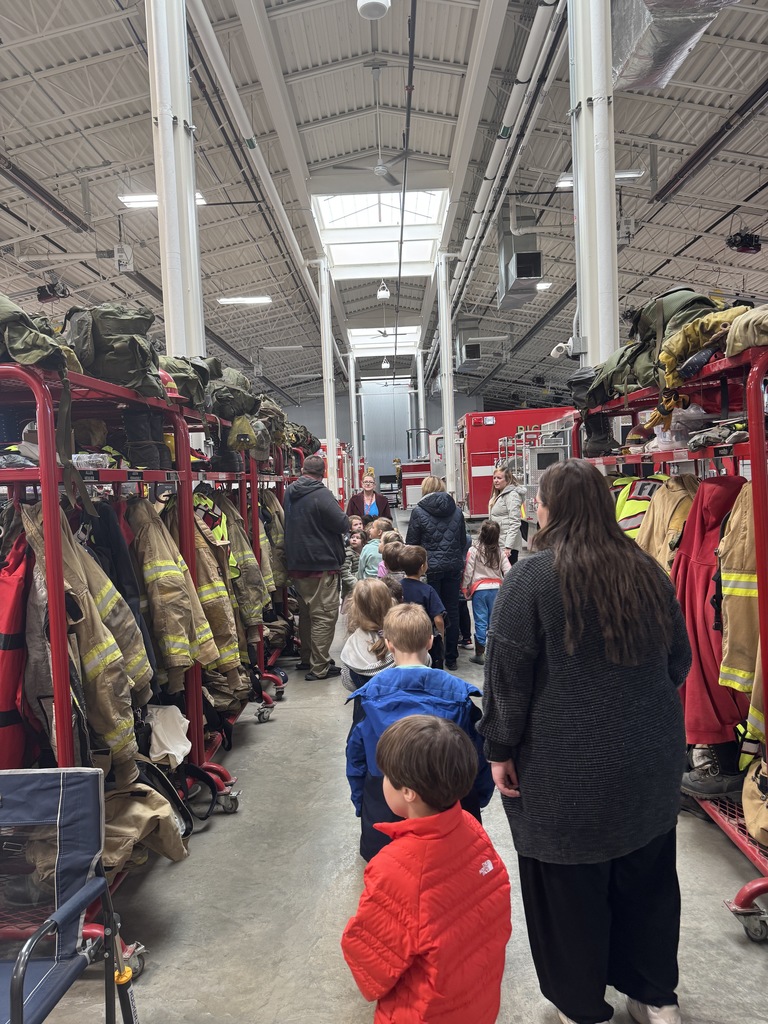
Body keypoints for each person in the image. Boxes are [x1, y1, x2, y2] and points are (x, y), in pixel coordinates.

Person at [479, 459, 692, 1024]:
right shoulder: (646, 570)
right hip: (650, 755)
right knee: (646, 876)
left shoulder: (531, 577)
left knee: (569, 887)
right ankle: (653, 996)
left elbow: (506, 674)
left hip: (565, 763)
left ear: (551, 511)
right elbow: (679, 661)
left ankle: (581, 1006)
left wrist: (499, 747)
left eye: (540, 503)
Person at [341, 714, 511, 1024]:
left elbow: (371, 965)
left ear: (408, 792)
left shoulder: (395, 868)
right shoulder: (471, 828)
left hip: (423, 1012)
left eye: (386, 777)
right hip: (477, 1002)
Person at [345, 604, 494, 861]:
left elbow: (356, 759)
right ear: (430, 640)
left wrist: (363, 805)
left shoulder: (368, 698)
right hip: (449, 811)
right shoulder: (459, 696)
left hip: (386, 810)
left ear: (389, 644)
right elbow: (479, 754)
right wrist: (477, 798)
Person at [284, 454, 349, 680]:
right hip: (321, 565)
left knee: (307, 616)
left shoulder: (289, 492)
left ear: (302, 470)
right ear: (324, 472)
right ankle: (319, 667)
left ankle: (307, 657)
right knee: (323, 616)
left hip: (297, 564)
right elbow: (342, 523)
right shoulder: (321, 494)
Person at [405, 476, 466, 669]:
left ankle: (432, 655)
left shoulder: (418, 512)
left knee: (429, 612)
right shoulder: (457, 511)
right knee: (452, 610)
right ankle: (452, 657)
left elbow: (412, 543)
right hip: (453, 567)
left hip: (428, 569)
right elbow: (462, 541)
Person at [462, 519, 511, 665]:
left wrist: (465, 588)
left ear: (481, 534)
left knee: (480, 621)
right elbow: (509, 571)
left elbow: (468, 571)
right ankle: (494, 652)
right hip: (497, 590)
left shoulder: (473, 550)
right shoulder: (500, 552)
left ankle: (479, 654)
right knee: (494, 622)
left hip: (479, 591)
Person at [340, 579, 396, 692]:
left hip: (365, 706)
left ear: (355, 608)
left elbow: (348, 682)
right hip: (398, 705)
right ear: (390, 602)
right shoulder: (402, 637)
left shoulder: (352, 643)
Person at [399, 544, 446, 669]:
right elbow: (438, 619)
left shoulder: (397, 587)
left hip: (401, 634)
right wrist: (441, 634)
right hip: (422, 637)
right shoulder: (428, 590)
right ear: (422, 567)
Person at [489, 463, 528, 564]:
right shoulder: (499, 494)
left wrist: (508, 546)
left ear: (507, 480)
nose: (496, 480)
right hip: (499, 542)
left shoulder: (512, 495)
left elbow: (515, 522)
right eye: (494, 478)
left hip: (507, 546)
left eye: (499, 478)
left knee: (508, 575)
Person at [340, 529, 365, 605]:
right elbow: (345, 573)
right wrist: (357, 584)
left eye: (358, 538)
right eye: (352, 537)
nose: (354, 539)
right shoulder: (348, 554)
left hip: (362, 587)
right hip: (351, 590)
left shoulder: (364, 552)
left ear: (363, 541)